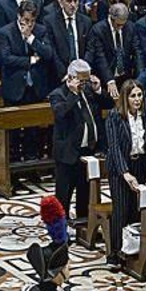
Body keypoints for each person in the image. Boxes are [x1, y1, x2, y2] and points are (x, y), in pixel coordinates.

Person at [105, 79, 146, 269]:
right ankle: (115, 252)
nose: (137, 99)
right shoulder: (115, 116)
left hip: (140, 165)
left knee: (137, 209)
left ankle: (133, 249)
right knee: (121, 210)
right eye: (133, 96)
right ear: (125, 97)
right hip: (120, 168)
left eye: (139, 95)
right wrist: (125, 173)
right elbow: (114, 147)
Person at [49, 59, 101, 224]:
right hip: (68, 153)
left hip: (87, 150)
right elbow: (60, 114)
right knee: (63, 195)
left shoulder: (88, 91)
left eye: (87, 80)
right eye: (82, 81)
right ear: (71, 77)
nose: (85, 84)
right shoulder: (58, 94)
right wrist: (73, 94)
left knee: (84, 192)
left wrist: (98, 89)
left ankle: (83, 226)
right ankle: (59, 230)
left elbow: (107, 103)